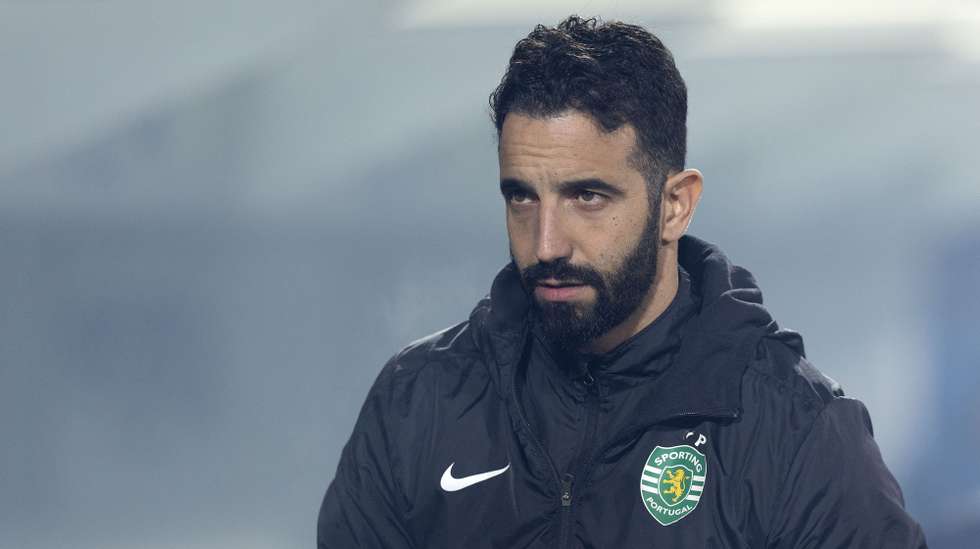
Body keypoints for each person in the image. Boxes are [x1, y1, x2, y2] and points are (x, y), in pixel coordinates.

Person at [316, 15, 927, 548]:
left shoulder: (793, 431)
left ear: (675, 205)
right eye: (523, 198)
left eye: (588, 196)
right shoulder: (417, 401)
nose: (547, 244)